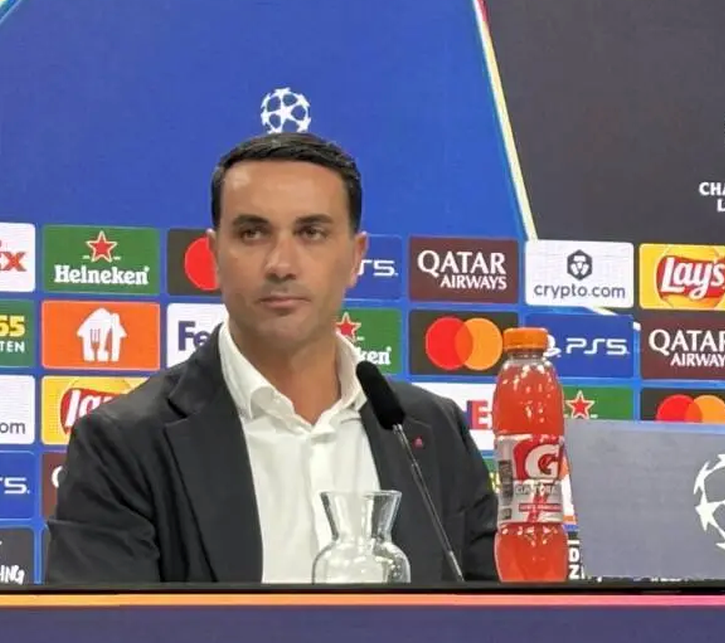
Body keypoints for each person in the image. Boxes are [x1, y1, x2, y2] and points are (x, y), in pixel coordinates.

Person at [45, 132, 498, 584]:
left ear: (356, 257)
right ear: (214, 256)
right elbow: (104, 622)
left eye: (311, 233)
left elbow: (499, 614)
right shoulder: (123, 444)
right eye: (253, 233)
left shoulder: (436, 432)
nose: (281, 264)